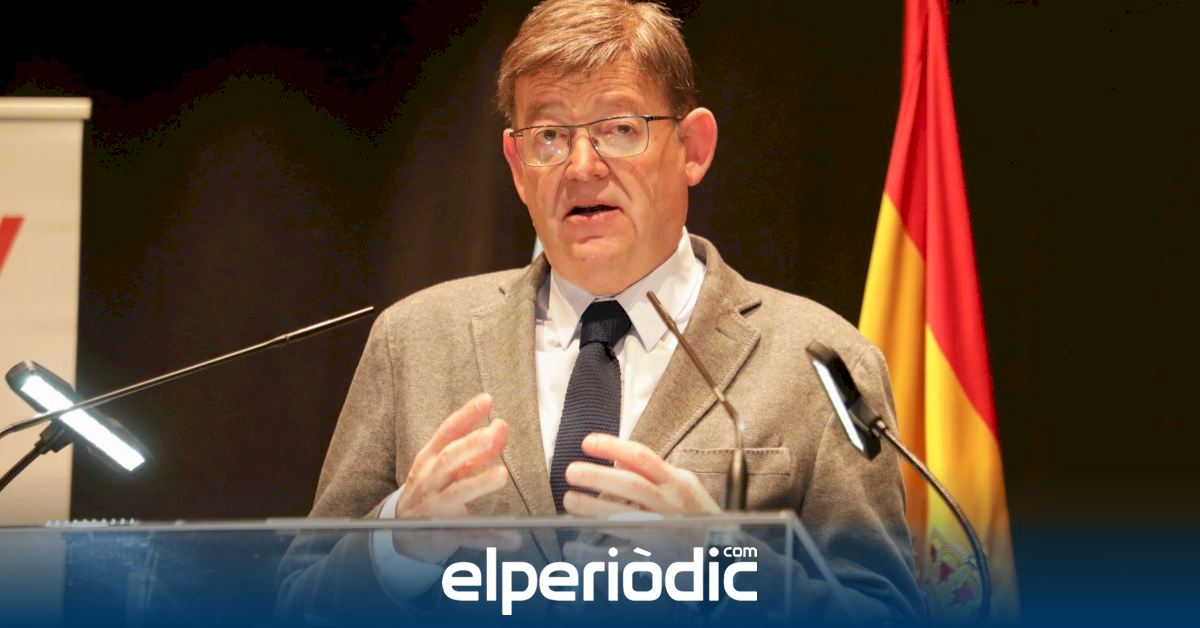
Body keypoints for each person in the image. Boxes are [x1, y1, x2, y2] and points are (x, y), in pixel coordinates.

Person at [302, 0, 924, 621]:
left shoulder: (817, 361)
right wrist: (393, 546)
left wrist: (725, 564)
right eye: (549, 136)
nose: (581, 167)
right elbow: (294, 599)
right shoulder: (413, 341)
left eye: (621, 129)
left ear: (693, 147)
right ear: (517, 166)